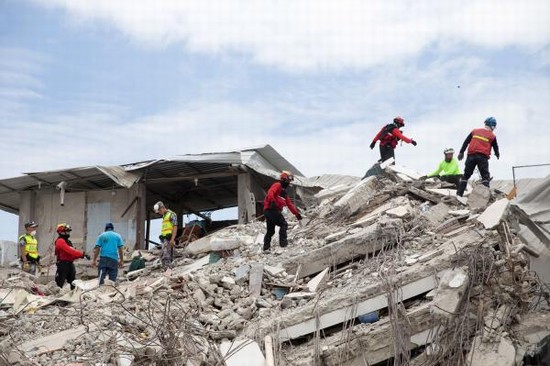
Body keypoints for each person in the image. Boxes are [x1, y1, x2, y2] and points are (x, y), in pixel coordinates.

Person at [456, 117, 500, 197]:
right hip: (482, 157)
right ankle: (486, 196)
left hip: (471, 156)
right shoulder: (492, 136)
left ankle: (459, 194)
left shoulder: (474, 131)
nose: (494, 128)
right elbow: (495, 146)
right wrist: (497, 153)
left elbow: (466, 142)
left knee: (466, 175)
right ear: (492, 125)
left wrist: (461, 152)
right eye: (494, 126)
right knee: (485, 177)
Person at [263, 171, 302, 252]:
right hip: (271, 209)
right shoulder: (277, 185)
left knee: (270, 231)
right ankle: (283, 244)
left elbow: (290, 205)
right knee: (283, 224)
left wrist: (297, 214)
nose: (289, 183)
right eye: (288, 181)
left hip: (269, 211)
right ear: (284, 180)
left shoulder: (284, 194)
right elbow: (270, 193)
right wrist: (273, 202)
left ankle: (266, 248)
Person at [54, 223, 89, 290]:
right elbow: (69, 250)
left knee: (73, 282)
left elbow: (72, 253)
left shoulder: (68, 241)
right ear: (61, 232)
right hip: (62, 264)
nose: (68, 233)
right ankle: (56, 296)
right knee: (59, 282)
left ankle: (73, 295)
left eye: (68, 231)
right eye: (66, 231)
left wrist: (81, 256)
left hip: (70, 264)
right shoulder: (60, 241)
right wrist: (81, 255)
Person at [153, 201, 178, 266]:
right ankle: (168, 271)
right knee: (164, 257)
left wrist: (172, 239)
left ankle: (168, 271)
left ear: (162, 208)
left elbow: (175, 227)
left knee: (167, 257)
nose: (159, 213)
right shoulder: (164, 216)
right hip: (164, 240)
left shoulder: (172, 214)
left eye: (159, 211)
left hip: (169, 239)